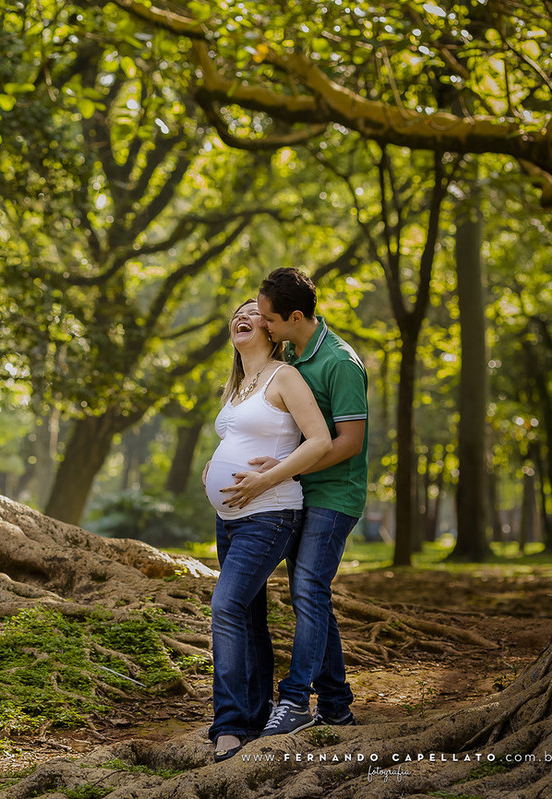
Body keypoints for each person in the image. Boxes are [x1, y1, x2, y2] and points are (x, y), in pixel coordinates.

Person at [223, 267, 369, 737]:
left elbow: (347, 442)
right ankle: (336, 703)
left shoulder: (339, 362)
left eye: (268, 318)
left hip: (334, 494)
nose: (262, 323)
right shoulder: (295, 358)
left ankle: (294, 700)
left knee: (308, 590)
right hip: (298, 492)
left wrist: (279, 470)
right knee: (311, 597)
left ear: (295, 316)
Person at [203, 299, 331, 762]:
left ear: (271, 327)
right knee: (248, 616)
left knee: (226, 605)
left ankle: (230, 724)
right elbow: (241, 438)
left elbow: (318, 440)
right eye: (237, 311)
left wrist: (266, 477)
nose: (243, 316)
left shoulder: (285, 376)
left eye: (254, 311)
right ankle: (255, 714)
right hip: (230, 519)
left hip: (270, 512)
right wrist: (212, 467)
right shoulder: (238, 383)